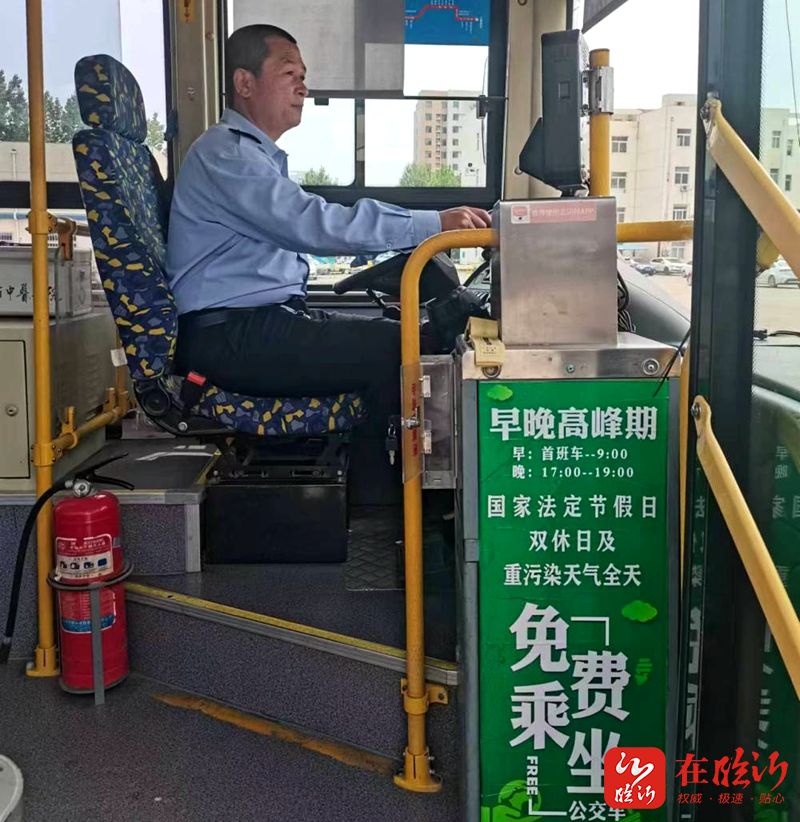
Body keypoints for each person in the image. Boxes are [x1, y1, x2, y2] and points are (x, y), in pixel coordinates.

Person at [166, 24, 490, 500]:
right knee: (396, 350)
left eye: (304, 75)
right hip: (230, 335)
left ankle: (382, 503)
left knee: (401, 336)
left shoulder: (252, 157)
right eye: (289, 73)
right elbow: (313, 225)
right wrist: (432, 224)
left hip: (254, 325)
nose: (303, 86)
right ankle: (383, 510)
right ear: (244, 83)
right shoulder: (227, 155)